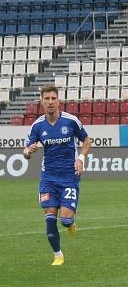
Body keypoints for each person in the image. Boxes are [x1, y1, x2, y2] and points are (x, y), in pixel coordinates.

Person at [22, 85, 90, 266]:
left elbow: (86, 140)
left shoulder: (70, 121)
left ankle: (70, 224)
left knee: (66, 220)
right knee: (50, 218)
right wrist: (29, 151)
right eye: (47, 99)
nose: (50, 102)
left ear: (58, 101)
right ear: (42, 102)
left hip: (69, 176)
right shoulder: (37, 125)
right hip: (48, 178)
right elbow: (26, 152)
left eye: (53, 98)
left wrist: (81, 158)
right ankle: (58, 255)